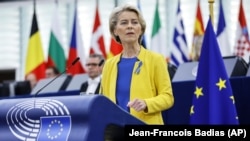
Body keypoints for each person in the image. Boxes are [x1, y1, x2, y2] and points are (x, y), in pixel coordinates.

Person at [100, 4, 174, 125]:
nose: (130, 26)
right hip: (115, 130)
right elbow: (103, 101)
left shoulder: (156, 59)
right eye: (124, 23)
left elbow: (168, 98)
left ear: (141, 29)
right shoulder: (109, 65)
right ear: (115, 30)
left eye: (134, 22)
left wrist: (146, 103)